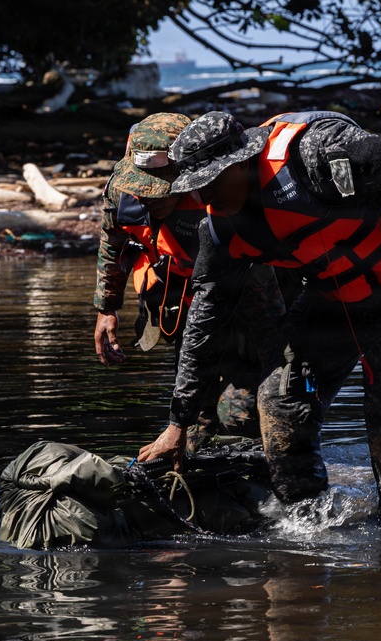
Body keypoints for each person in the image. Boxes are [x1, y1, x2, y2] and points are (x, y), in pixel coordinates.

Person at [136, 110, 381, 525]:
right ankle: (307, 520)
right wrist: (177, 422)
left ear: (241, 161)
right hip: (331, 299)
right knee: (280, 398)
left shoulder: (316, 152)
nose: (204, 198)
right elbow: (205, 324)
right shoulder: (219, 233)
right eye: (195, 189)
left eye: (211, 182)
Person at [93, 112, 285, 447]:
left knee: (239, 419)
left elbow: (266, 306)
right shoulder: (121, 194)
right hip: (187, 309)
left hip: (243, 314)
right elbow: (113, 245)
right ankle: (194, 476)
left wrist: (280, 370)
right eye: (143, 190)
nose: (149, 199)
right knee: (194, 419)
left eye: (160, 190)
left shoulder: (222, 202)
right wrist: (106, 308)